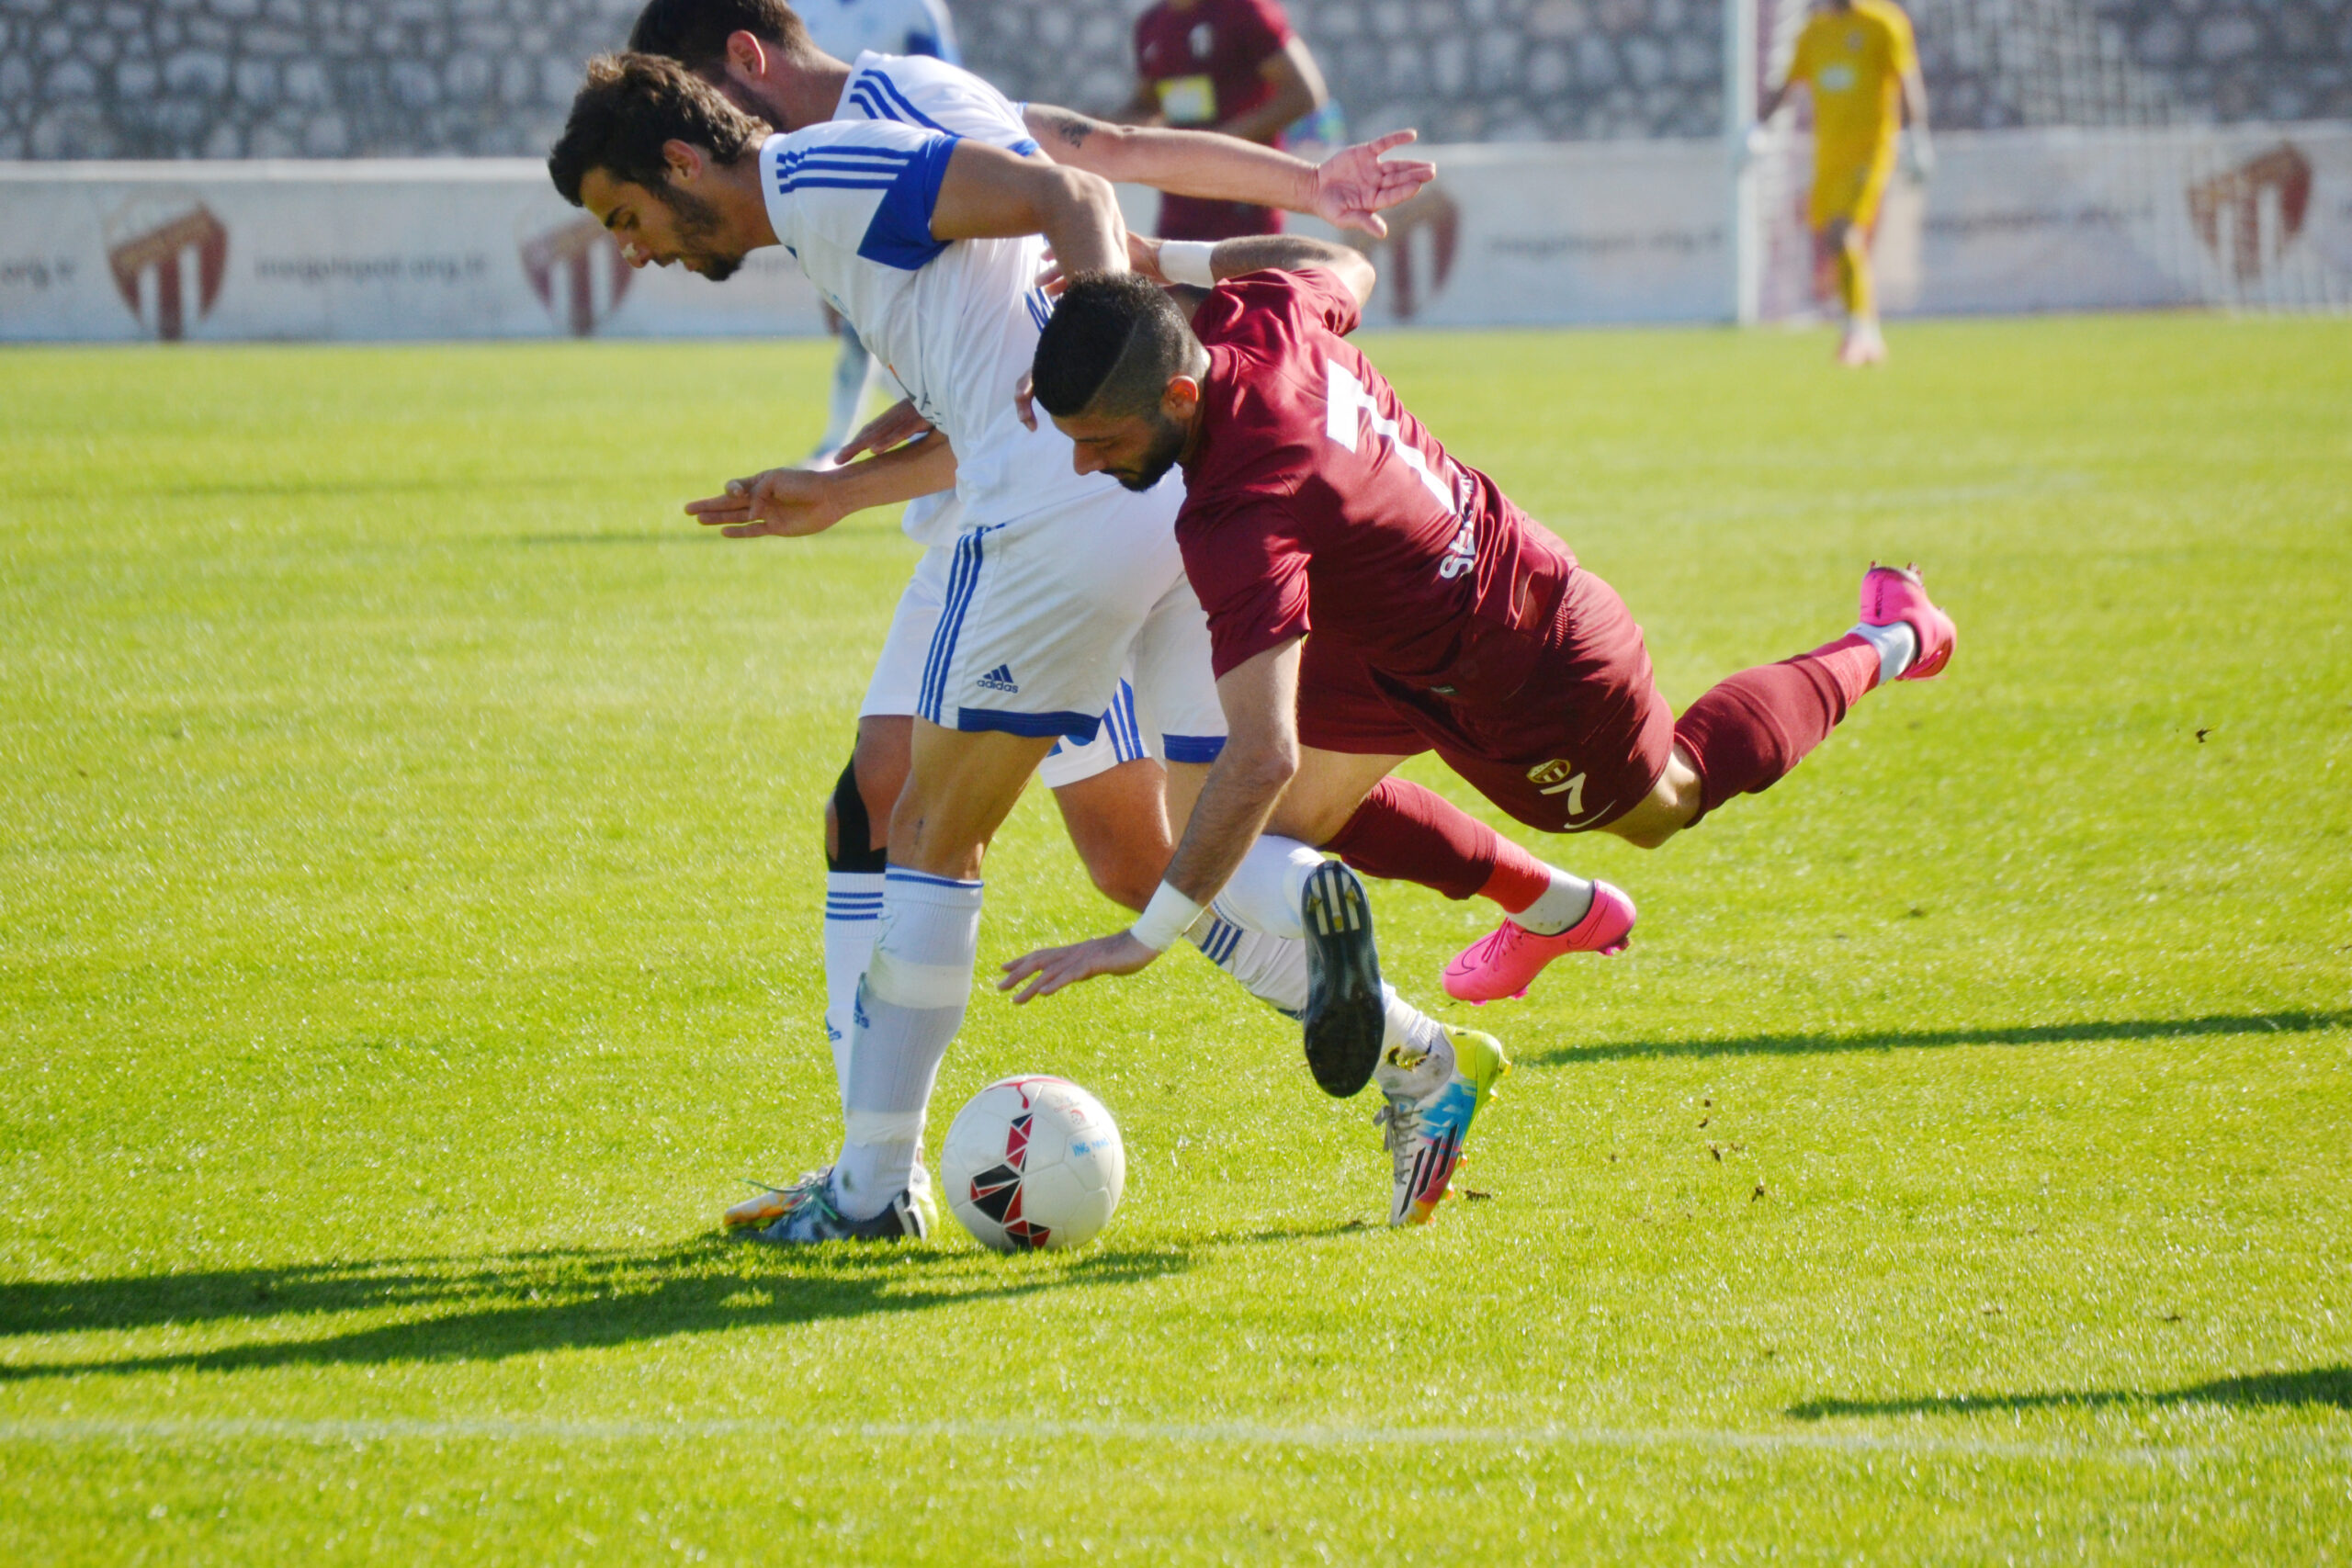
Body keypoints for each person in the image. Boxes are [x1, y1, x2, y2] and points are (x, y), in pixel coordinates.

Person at [547, 51, 1508, 1241]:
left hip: (1055, 523)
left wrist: (1115, 350)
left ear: (686, 153)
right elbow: (1035, 273)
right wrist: (852, 484)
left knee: (926, 829)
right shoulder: (859, 159)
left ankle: (870, 1188)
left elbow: (1082, 195)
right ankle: (1397, 1023)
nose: (632, 247)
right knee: (1105, 842)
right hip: (1153, 494)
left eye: (625, 215)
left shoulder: (820, 171)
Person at [1001, 239, 1956, 1017]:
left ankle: (1892, 637)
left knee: (1666, 802)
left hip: (1535, 670)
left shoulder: (1235, 515)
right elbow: (1338, 257)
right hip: (1401, 639)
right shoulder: (1263, 314)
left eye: (1103, 443)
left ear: (1178, 396)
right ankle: (1546, 908)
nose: (1086, 466)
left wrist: (1146, 936)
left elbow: (1261, 755)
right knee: (1278, 832)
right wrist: (1161, 251)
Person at [786, 0, 962, 464]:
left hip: (909, 186)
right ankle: (844, 443)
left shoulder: (914, 8)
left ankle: (936, 427)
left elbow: (947, 91)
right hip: (829, 185)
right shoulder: (799, 9)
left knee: (898, 325)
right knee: (855, 323)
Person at [1753, 0, 1932, 366]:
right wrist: (1755, 127)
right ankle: (1865, 330)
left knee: (1841, 232)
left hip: (1871, 151)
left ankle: (1860, 331)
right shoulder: (1814, 33)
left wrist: (1917, 136)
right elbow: (1785, 86)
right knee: (1835, 240)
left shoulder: (1884, 23)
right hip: (1828, 157)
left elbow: (1907, 79)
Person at [1121, 0, 1329, 242]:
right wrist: (1093, 127)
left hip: (1245, 207)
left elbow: (1304, 93)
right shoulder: (1151, 23)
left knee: (1243, 279)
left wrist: (1219, 144)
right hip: (1181, 209)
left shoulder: (1244, 10)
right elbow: (1147, 104)